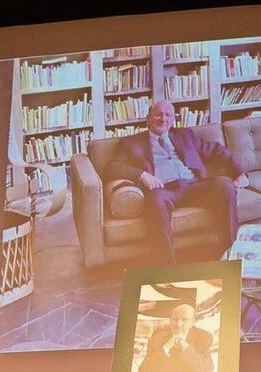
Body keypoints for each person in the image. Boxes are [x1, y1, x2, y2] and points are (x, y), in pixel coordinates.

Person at [105, 99, 249, 262]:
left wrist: (240, 172)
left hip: (193, 186)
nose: (163, 119)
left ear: (173, 120)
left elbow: (216, 151)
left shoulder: (185, 135)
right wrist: (142, 175)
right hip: (163, 190)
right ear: (148, 118)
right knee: (155, 202)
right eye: (158, 114)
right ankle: (167, 268)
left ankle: (232, 254)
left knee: (225, 187)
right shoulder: (131, 143)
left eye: (168, 115)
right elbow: (112, 167)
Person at [138, 303, 214, 372]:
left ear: (192, 322)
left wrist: (186, 348)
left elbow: (206, 371)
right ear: (170, 320)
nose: (178, 324)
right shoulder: (157, 339)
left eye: (184, 320)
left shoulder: (204, 337)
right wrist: (165, 348)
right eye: (175, 319)